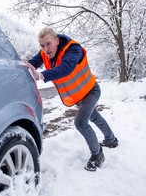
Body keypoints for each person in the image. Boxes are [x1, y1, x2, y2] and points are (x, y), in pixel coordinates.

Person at [27, 27, 118, 171]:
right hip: (78, 96)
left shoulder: (73, 49)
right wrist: (21, 67)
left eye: (48, 44)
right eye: (42, 45)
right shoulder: (44, 53)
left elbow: (66, 67)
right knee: (94, 117)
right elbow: (32, 64)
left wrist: (41, 76)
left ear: (57, 41)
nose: (45, 49)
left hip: (91, 91)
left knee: (81, 122)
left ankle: (98, 154)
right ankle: (111, 139)